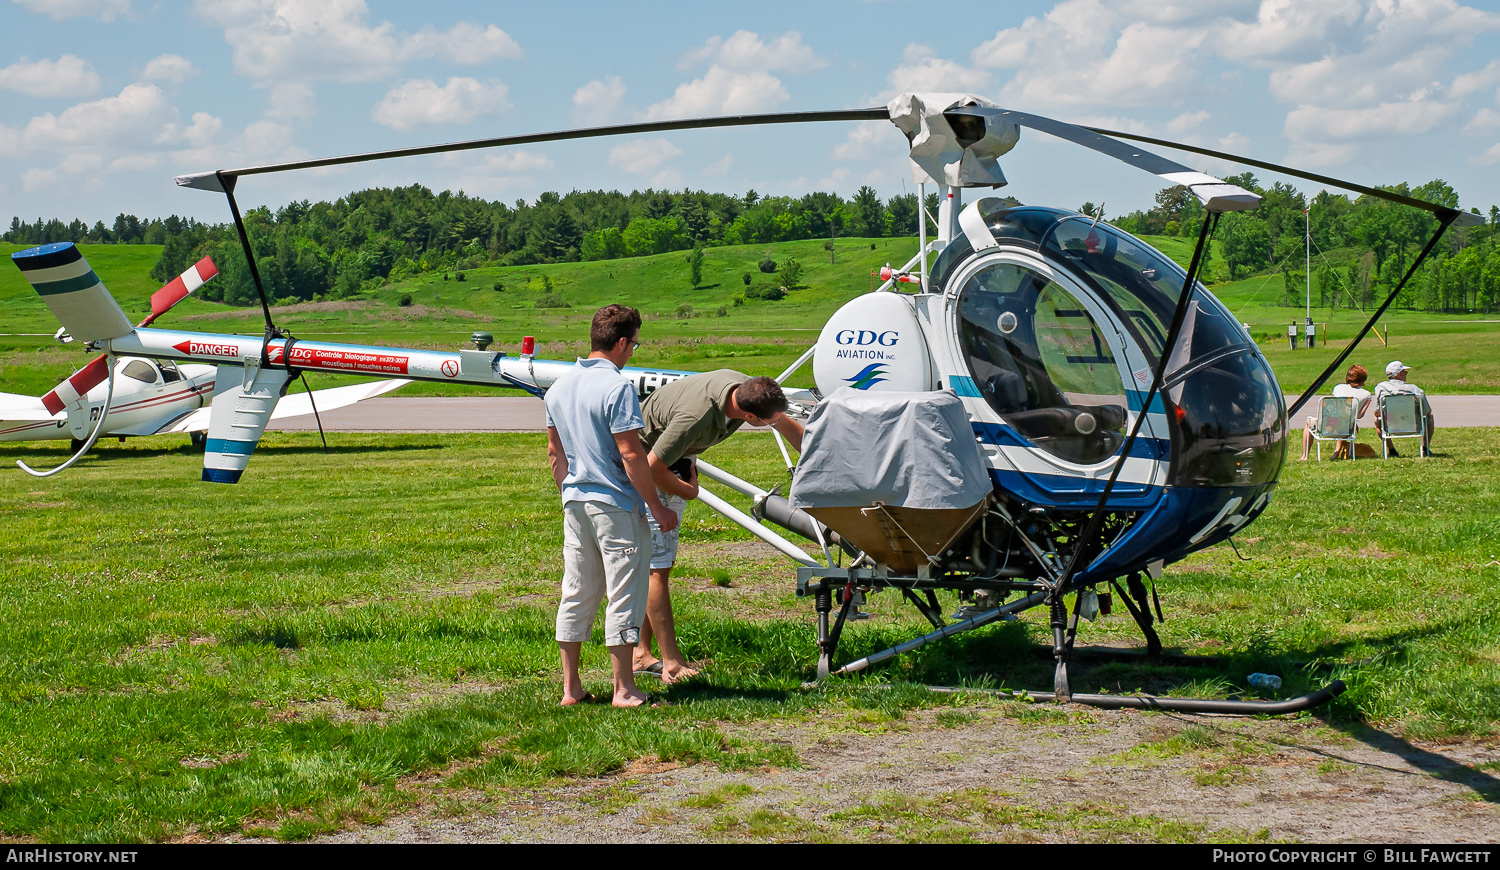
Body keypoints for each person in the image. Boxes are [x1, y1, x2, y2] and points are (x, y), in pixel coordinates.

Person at [544, 304, 679, 708]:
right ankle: (624, 688)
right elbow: (631, 454)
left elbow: (555, 455)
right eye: (634, 345)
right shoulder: (617, 387)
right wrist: (656, 507)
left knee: (577, 590)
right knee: (625, 591)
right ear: (621, 342)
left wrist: (569, 492)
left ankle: (571, 689)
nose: (632, 352)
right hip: (615, 505)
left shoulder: (557, 388)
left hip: (575, 501)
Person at [633, 371, 806, 683]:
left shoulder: (751, 390)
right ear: (749, 415)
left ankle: (640, 654)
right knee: (657, 569)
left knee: (658, 564)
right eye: (764, 422)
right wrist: (689, 491)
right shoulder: (695, 418)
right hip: (646, 471)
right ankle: (671, 662)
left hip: (674, 461)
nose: (771, 425)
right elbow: (650, 467)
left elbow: (784, 423)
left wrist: (818, 461)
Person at [1299, 364, 1372, 461]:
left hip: (1327, 427)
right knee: (1346, 420)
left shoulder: (1338, 388)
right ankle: (1336, 452)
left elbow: (1333, 408)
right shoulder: (1367, 395)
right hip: (1347, 429)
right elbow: (1360, 415)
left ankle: (1305, 455)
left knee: (1309, 421)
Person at [1371, 360, 1434, 457]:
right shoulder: (1415, 390)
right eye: (1405, 372)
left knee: (1377, 420)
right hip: (1414, 425)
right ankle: (1425, 449)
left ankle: (1391, 450)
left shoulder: (1381, 388)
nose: (1406, 374)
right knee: (1430, 418)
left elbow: (1377, 413)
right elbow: (1427, 411)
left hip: (1390, 426)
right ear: (1400, 374)